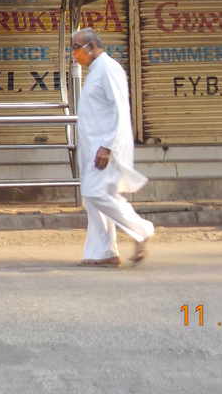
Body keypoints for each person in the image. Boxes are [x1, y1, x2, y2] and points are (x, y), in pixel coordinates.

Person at [72, 27, 154, 268]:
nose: (74, 53)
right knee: (92, 197)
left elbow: (120, 109)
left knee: (98, 194)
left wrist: (107, 146)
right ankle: (103, 252)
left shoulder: (109, 69)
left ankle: (143, 230)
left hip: (104, 149)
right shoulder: (96, 71)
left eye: (76, 47)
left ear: (90, 46)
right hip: (92, 148)